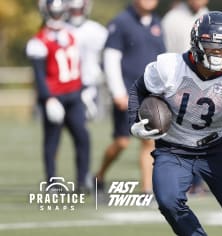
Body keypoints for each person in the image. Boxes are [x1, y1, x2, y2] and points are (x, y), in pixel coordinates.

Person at [128, 11, 222, 235]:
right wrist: (134, 120)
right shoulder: (169, 66)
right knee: (168, 201)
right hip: (173, 150)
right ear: (196, 44)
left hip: (214, 150)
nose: (218, 53)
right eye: (212, 46)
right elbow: (139, 88)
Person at [95, 0, 165, 194]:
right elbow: (110, 58)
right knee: (122, 142)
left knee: (149, 141)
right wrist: (118, 92)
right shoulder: (121, 22)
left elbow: (163, 60)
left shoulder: (157, 23)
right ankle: (99, 175)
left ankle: (147, 190)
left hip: (151, 94)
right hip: (127, 94)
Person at [26, 0, 91, 192]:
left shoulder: (71, 35)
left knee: (83, 137)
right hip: (55, 97)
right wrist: (48, 98)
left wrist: (85, 92)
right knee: (52, 140)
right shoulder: (38, 41)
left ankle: (82, 179)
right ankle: (52, 182)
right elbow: (39, 75)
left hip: (73, 95)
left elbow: (79, 67)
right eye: (53, 13)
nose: (56, 16)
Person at [161, 0, 209, 195]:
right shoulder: (171, 19)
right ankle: (183, 181)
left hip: (206, 80)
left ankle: (198, 182)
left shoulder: (210, 16)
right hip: (180, 80)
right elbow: (167, 53)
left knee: (204, 132)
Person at [67, 0, 108, 120]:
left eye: (78, 10)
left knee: (96, 119)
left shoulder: (96, 29)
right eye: (73, 10)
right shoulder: (64, 29)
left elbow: (109, 52)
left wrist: (103, 69)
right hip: (69, 84)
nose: (76, 13)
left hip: (92, 82)